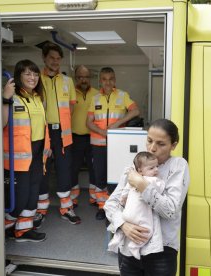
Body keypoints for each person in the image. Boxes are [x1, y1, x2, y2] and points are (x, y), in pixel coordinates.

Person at [104, 119, 190, 275]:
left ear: (174, 145)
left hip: (162, 251)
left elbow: (170, 210)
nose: (152, 148)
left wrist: (141, 184)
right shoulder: (133, 167)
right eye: (149, 141)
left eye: (161, 144)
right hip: (129, 248)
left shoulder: (178, 166)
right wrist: (123, 225)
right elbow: (111, 205)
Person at [3, 59, 51, 242]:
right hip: (19, 158)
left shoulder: (37, 98)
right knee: (20, 198)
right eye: (28, 73)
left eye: (35, 74)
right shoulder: (12, 97)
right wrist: (5, 98)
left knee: (33, 195)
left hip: (38, 154)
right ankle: (5, 228)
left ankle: (23, 230)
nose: (33, 77)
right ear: (19, 76)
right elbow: (1, 124)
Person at [35, 42, 80, 227]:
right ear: (44, 58)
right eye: (51, 58)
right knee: (42, 170)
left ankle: (66, 208)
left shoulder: (67, 81)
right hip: (42, 132)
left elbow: (71, 105)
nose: (55, 61)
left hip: (63, 133)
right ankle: (40, 210)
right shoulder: (37, 78)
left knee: (64, 170)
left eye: (58, 58)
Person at [87, 66, 140, 220]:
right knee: (100, 176)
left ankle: (117, 206)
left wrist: (117, 124)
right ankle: (103, 207)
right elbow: (88, 122)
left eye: (111, 79)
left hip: (118, 145)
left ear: (115, 80)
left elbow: (135, 111)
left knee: (118, 176)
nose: (108, 82)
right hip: (98, 145)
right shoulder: (95, 99)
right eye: (104, 79)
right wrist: (103, 132)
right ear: (100, 81)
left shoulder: (123, 96)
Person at [107, 151, 165, 260]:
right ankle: (135, 246)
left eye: (157, 166)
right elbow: (160, 189)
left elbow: (125, 191)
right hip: (140, 215)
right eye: (151, 168)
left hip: (126, 214)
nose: (156, 170)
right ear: (140, 171)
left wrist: (123, 199)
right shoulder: (153, 180)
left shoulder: (133, 178)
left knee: (124, 232)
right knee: (147, 231)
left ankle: (116, 239)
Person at [70, 65, 98, 207]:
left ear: (90, 78)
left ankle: (94, 197)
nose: (83, 79)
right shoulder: (70, 93)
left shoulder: (97, 94)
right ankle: (73, 198)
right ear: (76, 78)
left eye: (86, 77)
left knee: (94, 168)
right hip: (75, 138)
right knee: (73, 168)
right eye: (80, 77)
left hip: (93, 138)